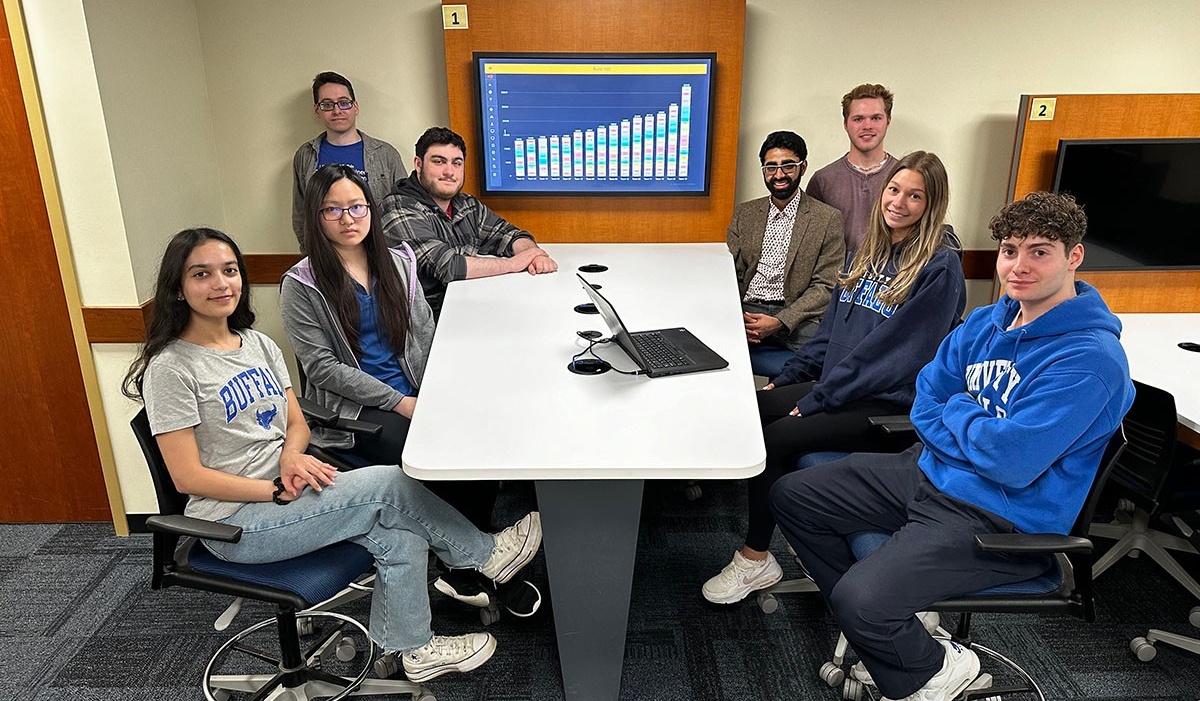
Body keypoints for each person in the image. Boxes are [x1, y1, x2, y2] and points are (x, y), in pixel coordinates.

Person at [123, 227, 543, 683]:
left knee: (401, 537)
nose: (220, 284)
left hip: (290, 490)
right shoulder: (172, 368)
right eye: (201, 274)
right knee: (388, 483)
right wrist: (275, 488)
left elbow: (296, 422)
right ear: (178, 289)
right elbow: (187, 478)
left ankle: (413, 651)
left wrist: (289, 459)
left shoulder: (258, 344)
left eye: (229, 271)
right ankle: (484, 555)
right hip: (235, 523)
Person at [770, 191, 1134, 701]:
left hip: (996, 514)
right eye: (1010, 250)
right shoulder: (988, 321)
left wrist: (960, 409)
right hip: (927, 471)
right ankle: (887, 641)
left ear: (1073, 257)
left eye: (1040, 251)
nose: (1019, 266)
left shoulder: (1090, 360)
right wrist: (969, 428)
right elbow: (925, 399)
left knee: (862, 599)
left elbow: (1011, 462)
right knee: (794, 495)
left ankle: (933, 667)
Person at [702, 151, 966, 605]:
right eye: (894, 190)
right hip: (843, 388)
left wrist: (821, 397)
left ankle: (755, 557)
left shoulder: (939, 268)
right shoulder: (869, 250)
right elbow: (829, 336)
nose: (899, 202)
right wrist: (786, 380)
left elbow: (895, 359)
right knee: (752, 412)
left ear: (932, 204)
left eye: (915, 196)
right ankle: (785, 540)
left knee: (775, 439)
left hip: (886, 404)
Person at [281, 164, 541, 617]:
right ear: (316, 216)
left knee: (481, 434)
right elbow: (322, 369)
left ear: (370, 209)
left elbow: (423, 332)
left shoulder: (398, 260)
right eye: (333, 209)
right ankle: (480, 564)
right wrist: (400, 402)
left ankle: (465, 569)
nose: (348, 218)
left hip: (416, 391)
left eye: (357, 206)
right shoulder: (301, 284)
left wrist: (440, 391)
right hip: (358, 411)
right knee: (440, 451)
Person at [380, 126, 557, 316]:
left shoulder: (467, 205)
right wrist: (512, 264)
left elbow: (507, 234)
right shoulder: (397, 208)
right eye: (439, 161)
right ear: (418, 164)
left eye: (457, 163)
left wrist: (532, 253)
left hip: (468, 307)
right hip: (428, 324)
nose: (449, 171)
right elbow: (448, 266)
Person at [727, 130, 845, 379]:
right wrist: (736, 316)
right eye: (771, 167)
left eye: (787, 166)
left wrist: (780, 321)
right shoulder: (745, 214)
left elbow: (826, 285)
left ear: (803, 167)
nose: (779, 175)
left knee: (825, 361)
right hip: (747, 311)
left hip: (798, 317)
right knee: (712, 352)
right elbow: (729, 273)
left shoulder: (827, 218)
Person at [292, 71, 407, 246]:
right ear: (317, 110)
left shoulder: (385, 154)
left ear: (356, 107)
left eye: (344, 103)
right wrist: (311, 252)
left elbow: (403, 209)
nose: (337, 110)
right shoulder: (305, 155)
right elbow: (301, 213)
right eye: (327, 104)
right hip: (326, 257)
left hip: (379, 252)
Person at [807, 84, 897, 252]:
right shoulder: (823, 180)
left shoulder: (905, 177)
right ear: (845, 124)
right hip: (836, 277)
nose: (867, 126)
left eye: (876, 118)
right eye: (858, 119)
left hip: (894, 276)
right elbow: (811, 243)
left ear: (888, 121)